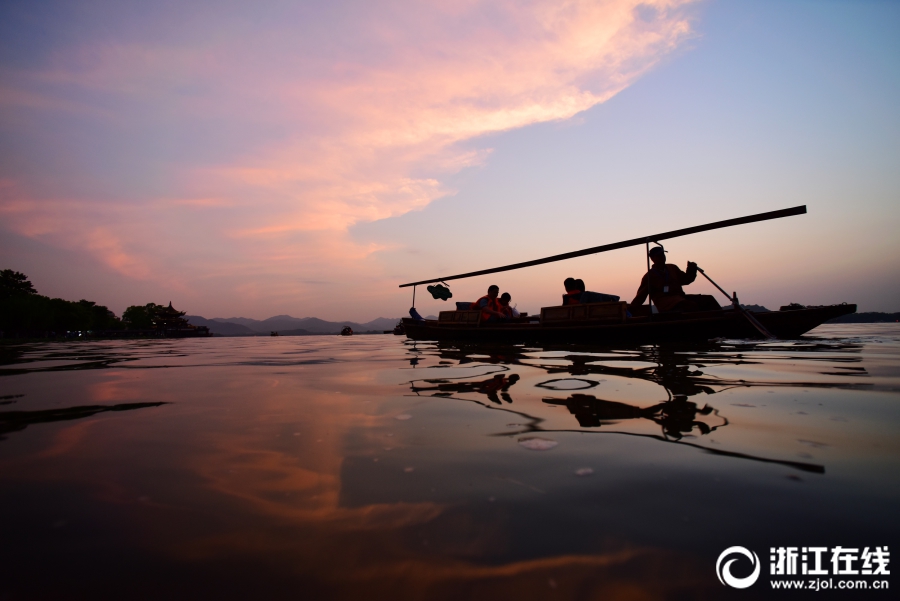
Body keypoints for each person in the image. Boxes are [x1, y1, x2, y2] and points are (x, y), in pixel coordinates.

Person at [629, 246, 698, 313]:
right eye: (659, 255)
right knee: (689, 305)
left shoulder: (672, 268)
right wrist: (629, 309)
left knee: (706, 300)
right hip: (665, 304)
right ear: (652, 259)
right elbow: (640, 297)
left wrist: (691, 269)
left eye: (663, 254)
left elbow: (686, 280)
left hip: (680, 298)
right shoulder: (649, 276)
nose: (662, 257)